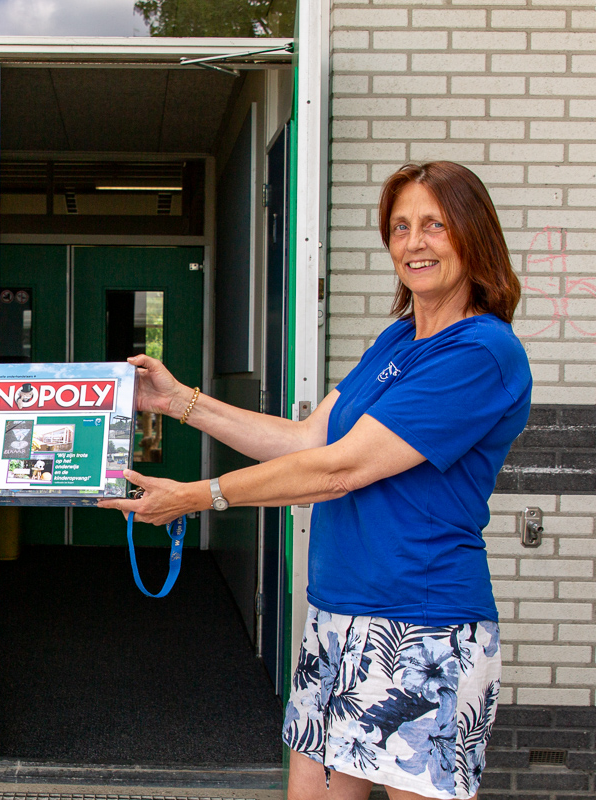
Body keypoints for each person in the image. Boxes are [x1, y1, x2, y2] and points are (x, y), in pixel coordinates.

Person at [100, 161, 530, 800]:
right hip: (338, 610)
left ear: (474, 237)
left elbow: (340, 469)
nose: (415, 243)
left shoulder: (481, 353)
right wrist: (176, 401)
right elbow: (308, 439)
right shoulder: (397, 340)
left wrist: (202, 496)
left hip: (422, 623)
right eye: (401, 227)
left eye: (436, 225)